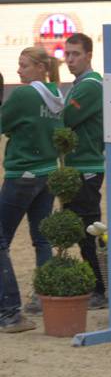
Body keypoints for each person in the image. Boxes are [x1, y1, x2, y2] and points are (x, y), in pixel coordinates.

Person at [0, 47, 63, 326]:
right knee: (42, 239)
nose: (19, 71)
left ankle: (10, 311)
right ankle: (44, 298)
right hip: (48, 172)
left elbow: (4, 122)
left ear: (40, 67)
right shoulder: (58, 94)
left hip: (22, 173)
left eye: (24, 65)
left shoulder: (25, 94)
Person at [61, 33, 107, 310]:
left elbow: (65, 119)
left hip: (86, 166)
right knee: (84, 229)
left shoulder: (90, 85)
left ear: (89, 55)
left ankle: (101, 288)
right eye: (66, 54)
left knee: (88, 230)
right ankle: (99, 286)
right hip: (81, 165)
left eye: (75, 54)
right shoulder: (83, 84)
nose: (69, 59)